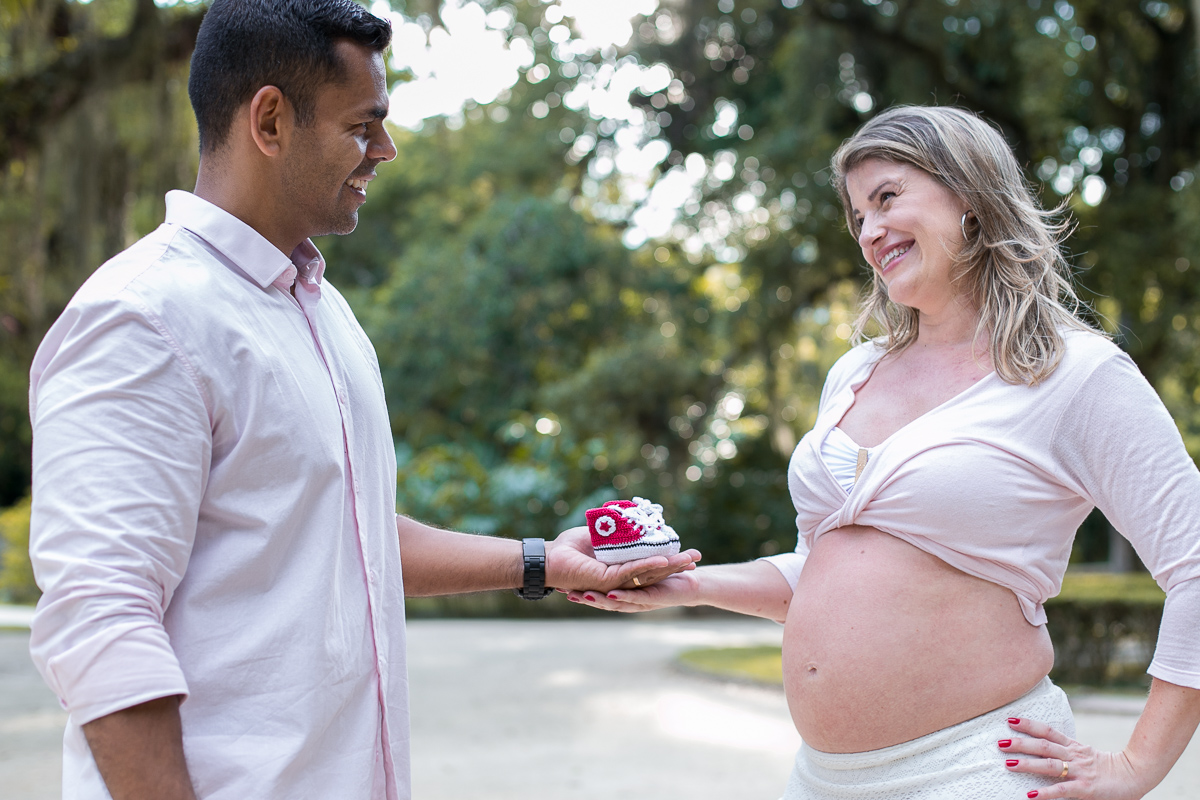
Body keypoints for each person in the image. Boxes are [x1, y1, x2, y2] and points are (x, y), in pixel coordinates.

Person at [25, 2, 699, 799]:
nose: (386, 149)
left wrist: (543, 563)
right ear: (270, 121)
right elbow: (101, 620)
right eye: (362, 125)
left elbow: (347, 533)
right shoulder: (144, 319)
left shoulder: (321, 311)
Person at [573, 105, 1200, 799]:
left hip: (974, 770)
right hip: (820, 780)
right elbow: (824, 570)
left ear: (969, 194)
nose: (869, 231)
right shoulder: (855, 373)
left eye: (887, 198)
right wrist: (689, 587)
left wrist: (1136, 767)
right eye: (857, 216)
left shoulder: (1076, 374)